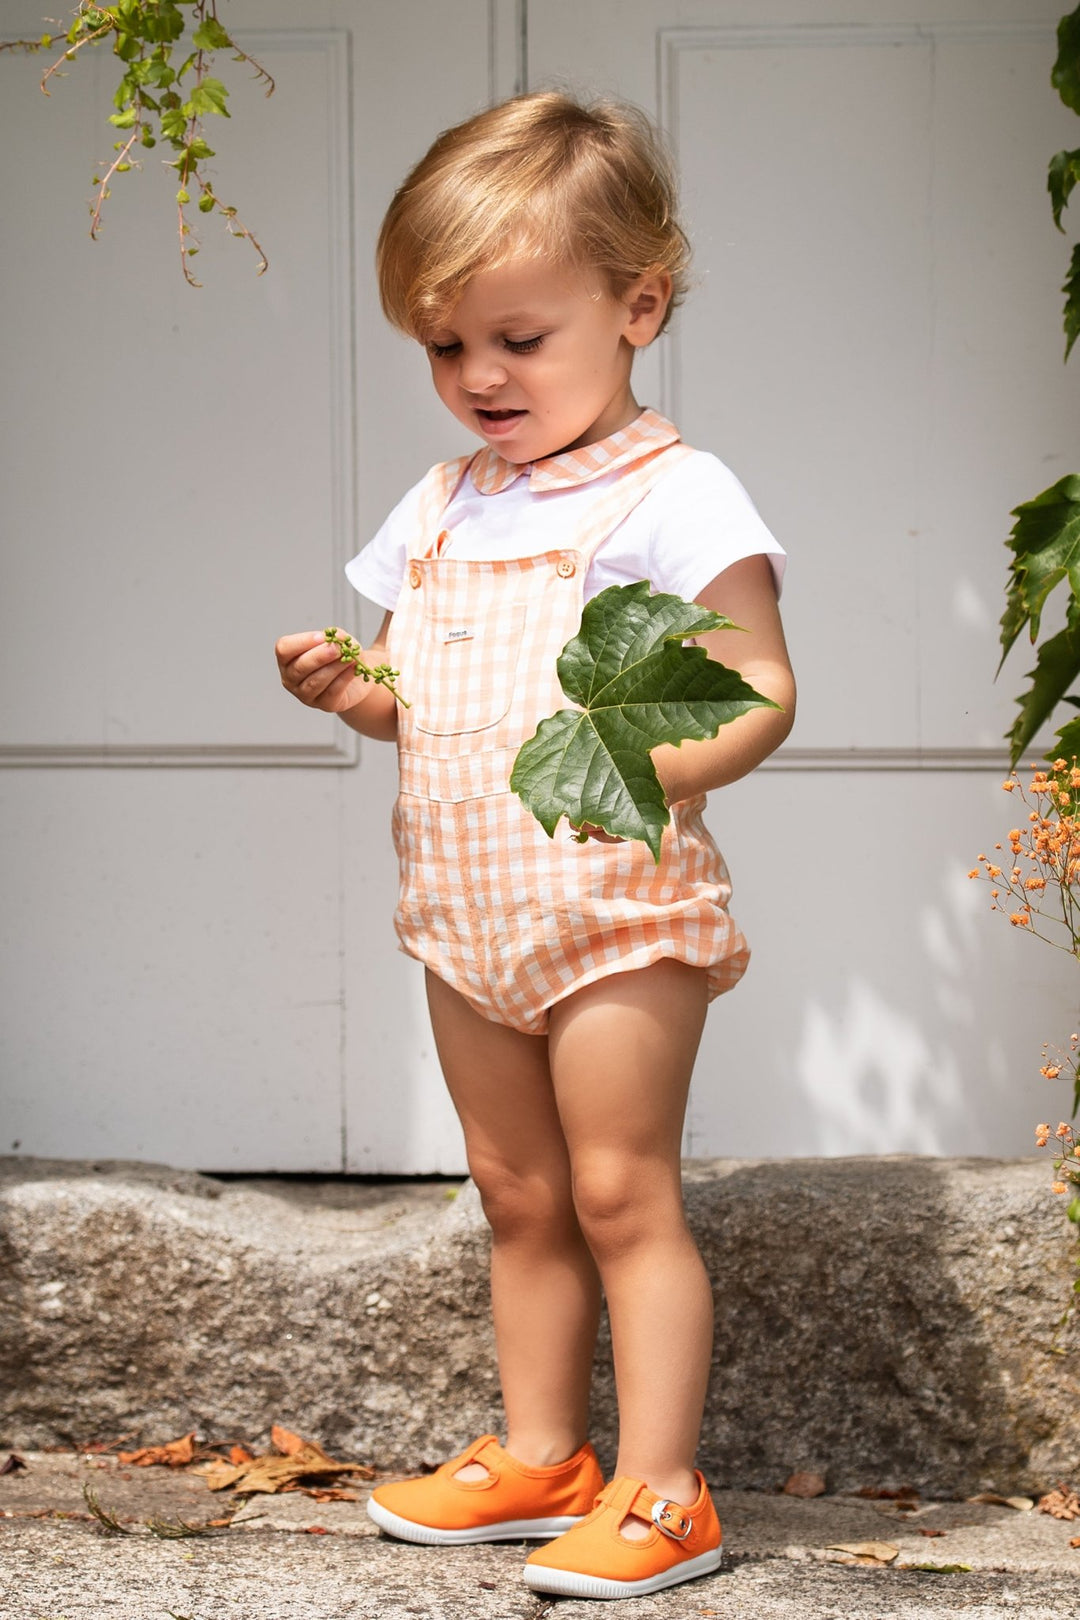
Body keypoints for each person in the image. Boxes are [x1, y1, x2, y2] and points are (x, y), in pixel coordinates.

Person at [275, 90, 795, 1602]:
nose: (479, 376)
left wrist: (630, 764)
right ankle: (544, 1454)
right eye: (445, 346)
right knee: (516, 1194)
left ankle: (665, 1492)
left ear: (638, 307)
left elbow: (761, 688)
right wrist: (354, 690)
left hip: (615, 909)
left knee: (621, 1191)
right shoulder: (441, 506)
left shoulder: (675, 494)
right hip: (464, 915)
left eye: (517, 337)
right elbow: (418, 699)